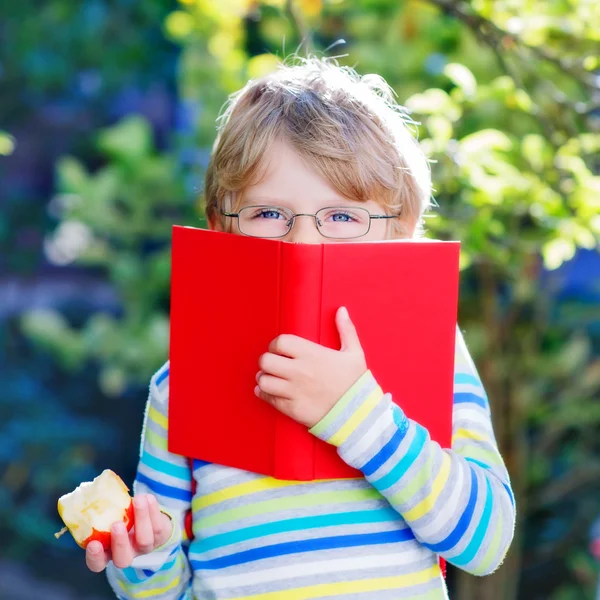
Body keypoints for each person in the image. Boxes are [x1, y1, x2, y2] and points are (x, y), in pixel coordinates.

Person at [86, 57, 516, 599]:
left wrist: (357, 414)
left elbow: (487, 540)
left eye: (342, 217)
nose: (304, 246)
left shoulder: (432, 352)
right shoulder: (182, 386)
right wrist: (147, 554)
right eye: (269, 214)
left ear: (399, 234)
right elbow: (160, 593)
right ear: (222, 229)